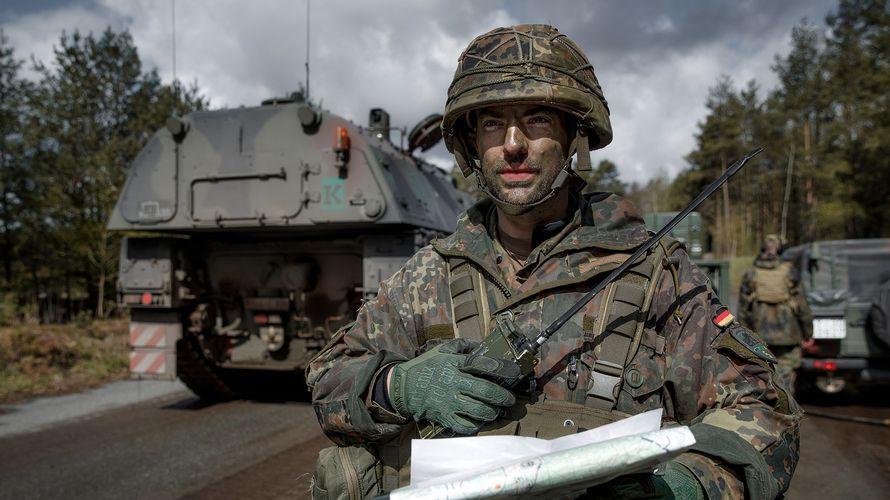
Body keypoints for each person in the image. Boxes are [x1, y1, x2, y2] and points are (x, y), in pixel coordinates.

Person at [308, 24, 800, 499]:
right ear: (472, 146)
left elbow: (765, 413)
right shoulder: (426, 279)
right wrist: (400, 386)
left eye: (537, 119)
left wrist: (685, 486)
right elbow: (329, 379)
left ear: (574, 136)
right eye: (492, 122)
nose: (514, 143)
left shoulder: (656, 275)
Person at [739, 234, 814, 396]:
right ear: (780, 250)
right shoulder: (790, 271)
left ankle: (766, 409)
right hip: (789, 334)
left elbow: (743, 310)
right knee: (786, 375)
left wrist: (744, 338)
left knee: (761, 373)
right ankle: (785, 410)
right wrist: (808, 332)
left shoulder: (751, 273)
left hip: (759, 335)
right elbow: (802, 305)